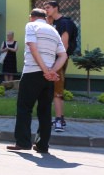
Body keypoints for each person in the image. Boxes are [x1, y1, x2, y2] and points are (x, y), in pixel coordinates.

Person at [7, 8, 67, 153]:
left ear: (31, 17)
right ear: (45, 18)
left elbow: (33, 48)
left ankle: (23, 142)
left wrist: (45, 70)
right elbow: (63, 55)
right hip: (48, 79)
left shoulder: (31, 26)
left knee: (24, 108)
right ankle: (42, 145)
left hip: (32, 72)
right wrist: (52, 71)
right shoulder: (53, 30)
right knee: (45, 111)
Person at [43, 0, 78, 132]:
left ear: (56, 8)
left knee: (57, 90)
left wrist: (56, 64)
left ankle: (58, 120)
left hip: (59, 60)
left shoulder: (64, 23)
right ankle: (60, 118)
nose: (46, 10)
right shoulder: (55, 23)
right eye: (44, 8)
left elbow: (64, 45)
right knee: (55, 90)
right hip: (53, 59)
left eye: (48, 8)